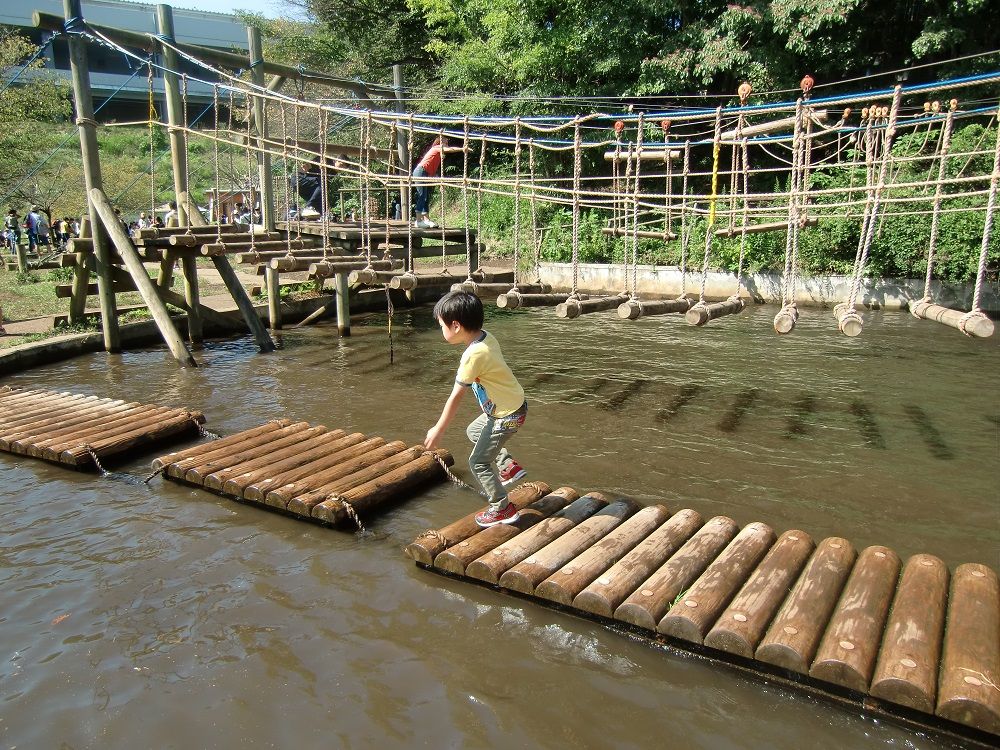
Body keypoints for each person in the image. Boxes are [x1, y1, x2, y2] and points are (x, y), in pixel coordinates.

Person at [423, 291, 529, 527]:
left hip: (506, 416)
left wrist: (439, 429)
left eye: (441, 326)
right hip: (512, 406)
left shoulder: (473, 356)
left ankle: (502, 508)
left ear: (456, 326)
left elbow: (455, 396)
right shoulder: (486, 337)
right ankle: (507, 466)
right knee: (473, 431)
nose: (441, 330)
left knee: (478, 462)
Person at [412, 136, 464, 229]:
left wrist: (440, 183)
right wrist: (462, 149)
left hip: (425, 173)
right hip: (420, 171)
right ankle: (418, 221)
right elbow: (449, 150)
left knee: (426, 197)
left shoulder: (438, 155)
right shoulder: (436, 148)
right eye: (445, 143)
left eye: (447, 143)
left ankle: (426, 220)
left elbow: (433, 172)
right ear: (440, 143)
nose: (447, 145)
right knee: (422, 195)